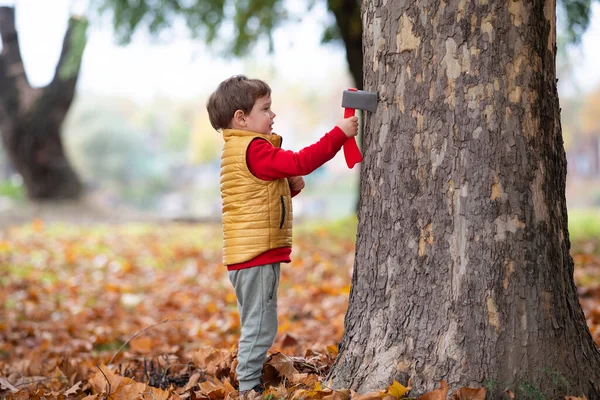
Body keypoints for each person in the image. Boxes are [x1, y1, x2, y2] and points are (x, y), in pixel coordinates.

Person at [206, 75, 359, 396]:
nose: (272, 115)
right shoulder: (255, 149)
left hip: (250, 253)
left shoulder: (242, 150)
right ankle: (249, 389)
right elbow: (301, 160)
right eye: (266, 109)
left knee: (258, 323)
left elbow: (258, 198)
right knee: (260, 326)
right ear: (241, 118)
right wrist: (338, 134)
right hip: (255, 254)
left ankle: (249, 381)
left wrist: (287, 184)